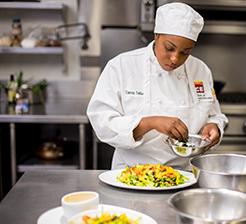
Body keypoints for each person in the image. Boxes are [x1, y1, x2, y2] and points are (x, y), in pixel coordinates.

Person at [87, 2, 228, 169]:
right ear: (156, 36)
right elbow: (101, 122)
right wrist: (149, 123)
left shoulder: (200, 70)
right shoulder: (121, 66)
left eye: (185, 52)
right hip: (131, 172)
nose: (175, 58)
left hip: (184, 174)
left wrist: (214, 127)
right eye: (169, 48)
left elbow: (214, 115)